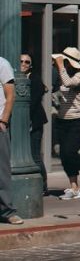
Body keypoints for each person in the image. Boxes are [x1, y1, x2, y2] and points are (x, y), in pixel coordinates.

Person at [52, 48, 80, 199]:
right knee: (64, 156)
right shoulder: (63, 72)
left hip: (78, 120)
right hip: (63, 119)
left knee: (69, 152)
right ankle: (74, 188)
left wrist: (60, 66)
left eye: (65, 61)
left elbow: (68, 83)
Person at [20, 54, 47, 195]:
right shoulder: (15, 78)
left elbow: (34, 101)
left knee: (35, 154)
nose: (23, 64)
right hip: (21, 123)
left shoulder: (34, 79)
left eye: (27, 62)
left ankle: (42, 185)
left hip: (34, 122)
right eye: (21, 61)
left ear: (31, 65)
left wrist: (26, 118)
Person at [0, 56, 22, 224]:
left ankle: (7, 211)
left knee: (2, 170)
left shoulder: (2, 64)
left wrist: (4, 120)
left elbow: (10, 95)